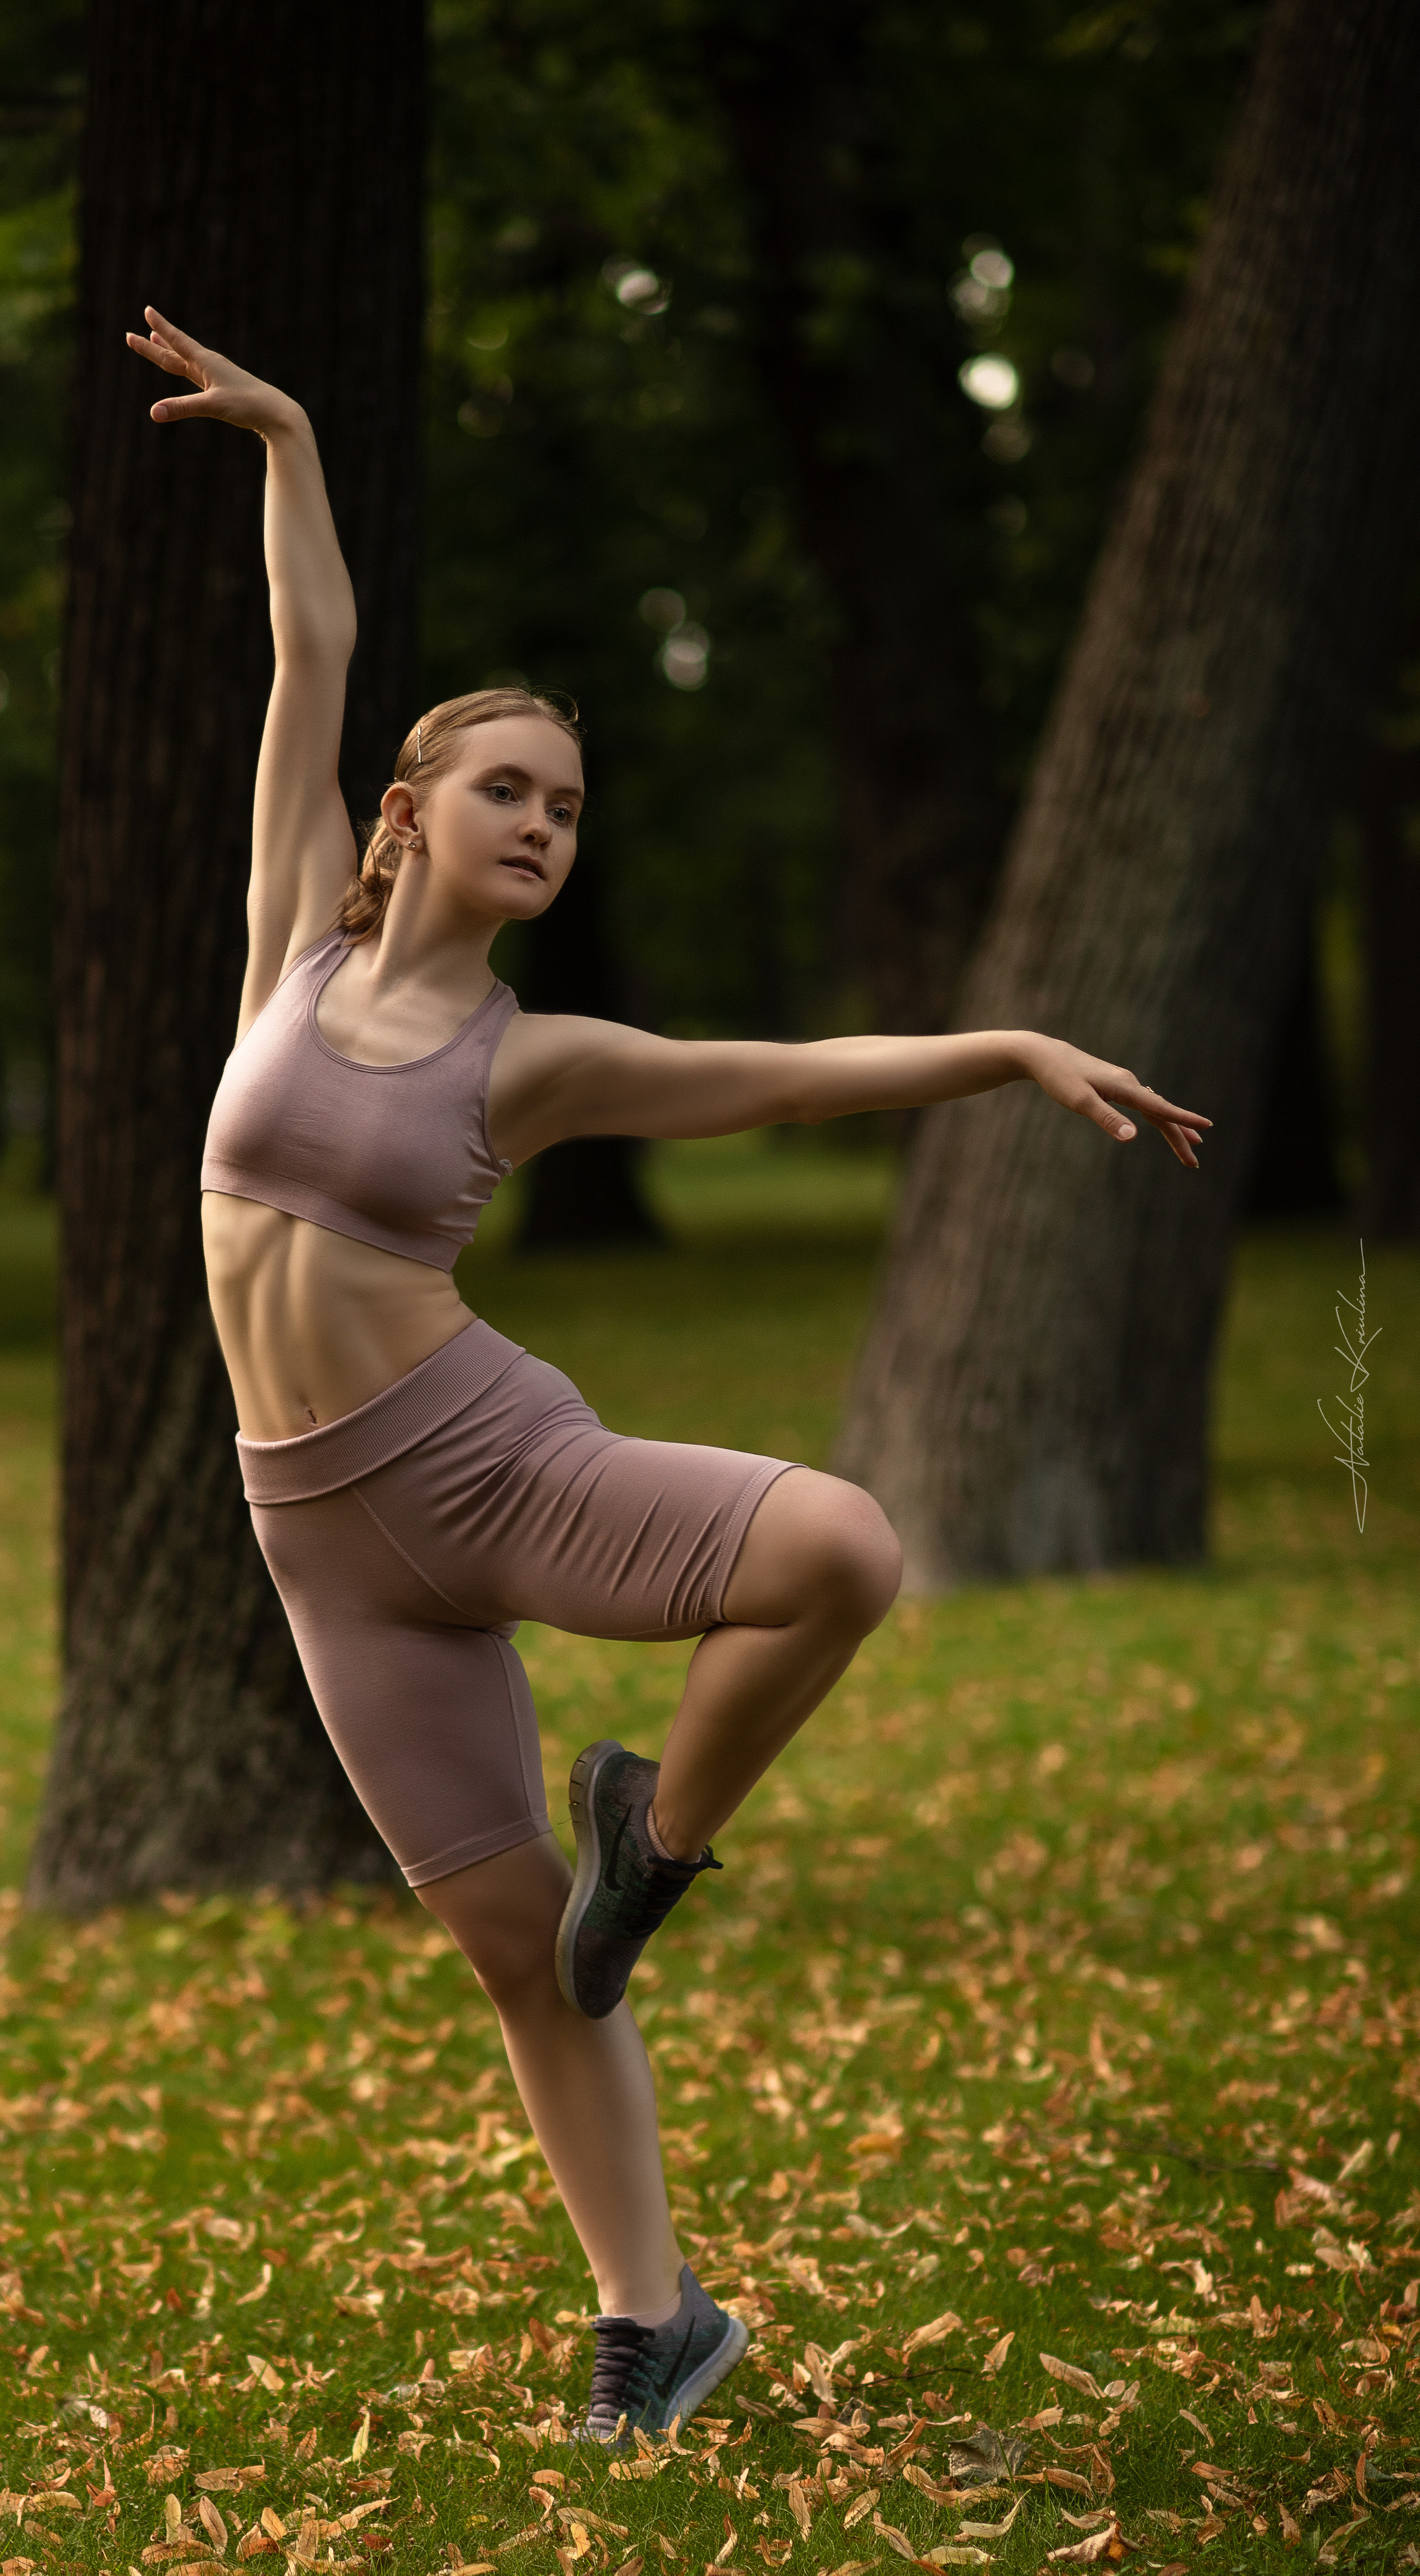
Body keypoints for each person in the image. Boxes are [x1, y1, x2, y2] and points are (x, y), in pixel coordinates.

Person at [127, 308, 1212, 2447]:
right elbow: (310, 658)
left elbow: (784, 1079)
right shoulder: (292, 948)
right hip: (319, 1548)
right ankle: (658, 2320)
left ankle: (662, 1832)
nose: (545, 823)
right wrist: (294, 434)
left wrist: (1004, 1048)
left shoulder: (530, 1062)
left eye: (573, 806)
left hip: (481, 1459)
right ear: (413, 817)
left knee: (840, 1549)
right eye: (509, 790)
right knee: (522, 1961)